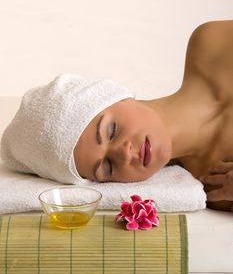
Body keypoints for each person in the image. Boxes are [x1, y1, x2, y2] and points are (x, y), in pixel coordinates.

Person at [1, 20, 233, 212]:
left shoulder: (213, 45)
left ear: (113, 94)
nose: (124, 153)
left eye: (111, 131)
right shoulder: (217, 188)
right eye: (108, 168)